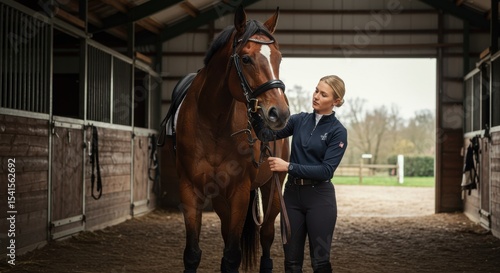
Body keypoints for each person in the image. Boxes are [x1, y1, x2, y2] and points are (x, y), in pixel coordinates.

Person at [268, 75, 348, 273]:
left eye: (323, 94)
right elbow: (269, 133)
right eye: (316, 90)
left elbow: (326, 170)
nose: (316, 96)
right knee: (291, 263)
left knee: (320, 263)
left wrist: (288, 167)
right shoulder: (298, 120)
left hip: (320, 198)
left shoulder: (338, 131)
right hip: (292, 196)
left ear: (335, 101)